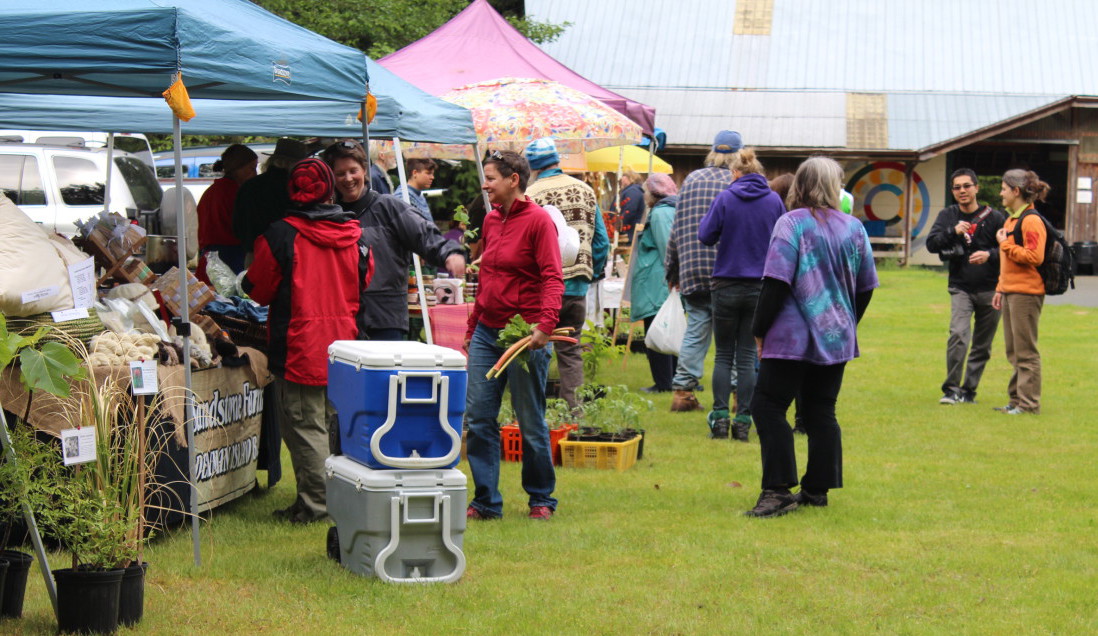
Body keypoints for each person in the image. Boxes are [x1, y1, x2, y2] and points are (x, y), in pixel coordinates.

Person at [243, 158, 374, 524]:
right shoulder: (355, 234)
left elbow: (259, 289)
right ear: (330, 187)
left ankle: (317, 505)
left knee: (305, 429)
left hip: (300, 346)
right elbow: (365, 281)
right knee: (334, 427)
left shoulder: (281, 235)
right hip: (346, 348)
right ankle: (328, 499)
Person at [746, 156, 878, 518]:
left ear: (800, 185)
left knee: (768, 405)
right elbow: (866, 287)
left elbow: (775, 282)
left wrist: (758, 330)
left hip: (790, 337)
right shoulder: (854, 228)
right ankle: (816, 490)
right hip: (836, 335)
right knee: (821, 411)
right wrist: (847, 321)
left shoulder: (791, 224)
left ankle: (777, 490)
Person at [464, 150, 564, 521]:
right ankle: (486, 500)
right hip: (488, 333)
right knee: (478, 417)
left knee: (529, 419)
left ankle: (541, 497)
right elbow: (488, 278)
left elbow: (553, 277)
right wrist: (474, 327)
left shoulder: (538, 222)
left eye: (491, 178)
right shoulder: (491, 221)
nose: (485, 185)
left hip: (524, 336)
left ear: (513, 180)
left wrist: (545, 325)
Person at [321, 140, 465, 340]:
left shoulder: (389, 207)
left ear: (364, 170)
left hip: (385, 319)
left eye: (353, 170)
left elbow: (423, 234)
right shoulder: (329, 215)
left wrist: (450, 253)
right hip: (340, 319)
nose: (348, 179)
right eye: (340, 173)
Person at [698, 148, 785, 441]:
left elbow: (705, 235)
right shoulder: (774, 201)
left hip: (725, 283)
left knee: (723, 355)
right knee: (748, 356)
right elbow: (785, 238)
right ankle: (744, 422)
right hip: (760, 286)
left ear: (735, 173)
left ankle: (720, 420)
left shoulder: (726, 197)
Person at [524, 137, 609, 410]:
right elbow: (601, 242)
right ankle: (574, 413)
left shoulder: (531, 195)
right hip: (577, 289)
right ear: (557, 159)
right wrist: (588, 273)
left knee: (537, 349)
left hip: (542, 287)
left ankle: (534, 413)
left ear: (532, 165)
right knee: (571, 352)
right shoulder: (585, 190)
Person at [665, 130, 742, 413]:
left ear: (712, 152)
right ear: (738, 155)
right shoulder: (737, 182)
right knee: (734, 336)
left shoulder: (691, 180)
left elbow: (677, 229)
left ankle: (683, 392)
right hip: (729, 271)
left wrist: (673, 270)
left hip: (693, 269)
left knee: (696, 330)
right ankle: (736, 396)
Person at [925, 168, 1005, 405]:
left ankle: (969, 390)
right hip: (961, 287)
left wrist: (989, 255)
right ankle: (951, 389)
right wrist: (953, 231)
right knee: (958, 335)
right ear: (953, 191)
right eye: (957, 187)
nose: (962, 191)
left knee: (982, 344)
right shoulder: (947, 216)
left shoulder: (995, 218)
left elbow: (1009, 249)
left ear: (976, 188)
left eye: (967, 186)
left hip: (991, 289)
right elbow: (931, 244)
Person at [992, 169, 1051, 415]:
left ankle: (1029, 405)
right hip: (1011, 291)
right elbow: (1009, 262)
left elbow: (1034, 257)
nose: (1001, 193)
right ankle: (1016, 400)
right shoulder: (1011, 220)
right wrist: (1000, 287)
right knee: (1013, 350)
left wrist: (1004, 244)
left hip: (1026, 293)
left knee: (1026, 351)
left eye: (1004, 189)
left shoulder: (1031, 220)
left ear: (1016, 191)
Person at [630, 173, 679, 392]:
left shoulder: (660, 213)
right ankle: (673, 380)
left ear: (654, 193)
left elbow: (665, 246)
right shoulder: (672, 209)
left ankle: (662, 383)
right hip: (662, 280)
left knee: (656, 331)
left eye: (646, 192)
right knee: (667, 329)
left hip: (656, 281)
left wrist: (670, 276)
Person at [232, 137, 309, 260]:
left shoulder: (248, 186)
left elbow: (237, 227)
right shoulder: (295, 189)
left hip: (255, 256)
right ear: (297, 164)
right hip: (288, 258)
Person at [197, 144, 257, 276]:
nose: (255, 173)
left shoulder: (211, 191)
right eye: (252, 168)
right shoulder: (237, 193)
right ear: (237, 169)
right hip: (231, 260)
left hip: (208, 259)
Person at [617, 169, 646, 243]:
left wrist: (619, 226)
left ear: (630, 178)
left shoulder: (633, 191)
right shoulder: (631, 190)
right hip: (628, 231)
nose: (622, 179)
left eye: (624, 176)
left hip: (628, 233)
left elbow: (629, 211)